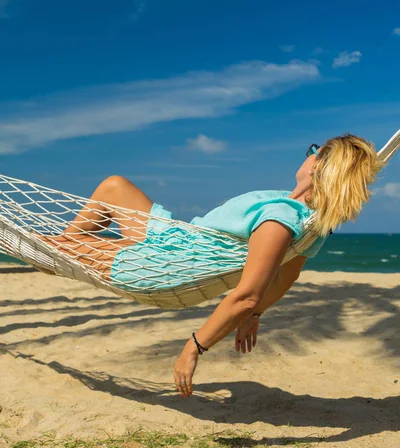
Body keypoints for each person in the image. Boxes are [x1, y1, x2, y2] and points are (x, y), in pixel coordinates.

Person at [41, 133, 383, 397]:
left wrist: (194, 347)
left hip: (165, 263)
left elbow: (249, 294)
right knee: (114, 188)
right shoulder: (299, 213)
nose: (308, 155)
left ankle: (56, 255)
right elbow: (283, 281)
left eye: (314, 151)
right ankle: (62, 253)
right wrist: (255, 317)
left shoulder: (280, 220)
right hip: (175, 236)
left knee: (54, 247)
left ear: (320, 166)